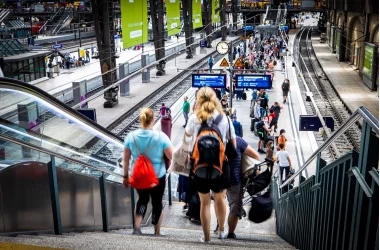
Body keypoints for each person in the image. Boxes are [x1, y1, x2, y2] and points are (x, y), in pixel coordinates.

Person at [184, 87, 236, 243]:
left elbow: (187, 135)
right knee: (220, 198)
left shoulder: (194, 117)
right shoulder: (224, 118)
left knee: (205, 202)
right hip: (220, 165)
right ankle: (221, 231)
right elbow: (232, 141)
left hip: (199, 165)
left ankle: (206, 238)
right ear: (215, 99)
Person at [122, 108, 174, 235]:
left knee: (142, 200)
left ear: (141, 120)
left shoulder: (131, 137)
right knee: (157, 202)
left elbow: (126, 160)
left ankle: (137, 227)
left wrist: (125, 176)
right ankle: (157, 231)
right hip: (158, 176)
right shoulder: (162, 137)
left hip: (139, 176)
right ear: (153, 120)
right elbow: (172, 156)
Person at [226, 136, 260, 239]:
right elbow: (256, 156)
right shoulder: (238, 140)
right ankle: (230, 233)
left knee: (219, 203)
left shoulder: (213, 138)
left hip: (216, 177)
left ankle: (220, 229)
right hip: (234, 179)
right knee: (235, 207)